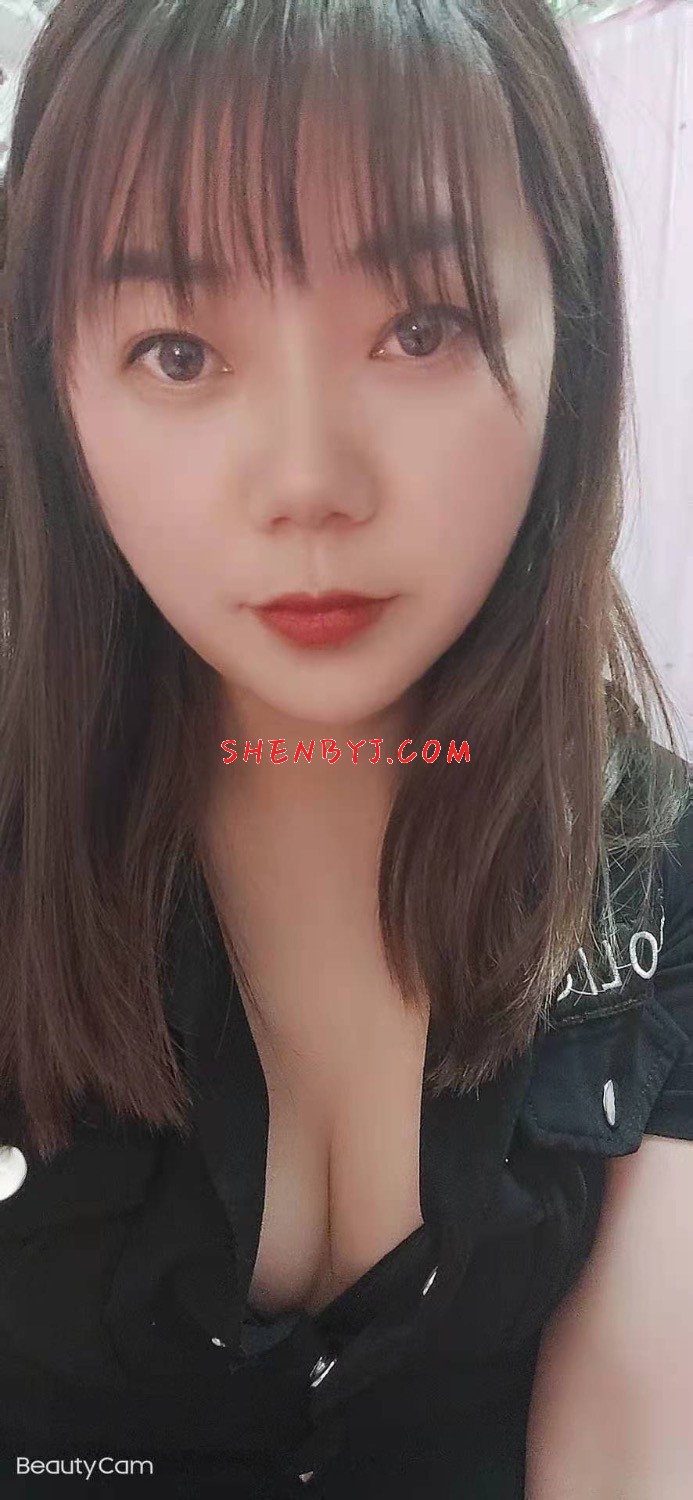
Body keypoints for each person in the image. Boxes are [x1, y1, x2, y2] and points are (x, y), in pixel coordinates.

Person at [0, 0, 691, 1495]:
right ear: (54, 385)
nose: (308, 479)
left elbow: (631, 1435)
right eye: (178, 349)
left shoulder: (651, 859)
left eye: (419, 328)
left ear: (566, 337)